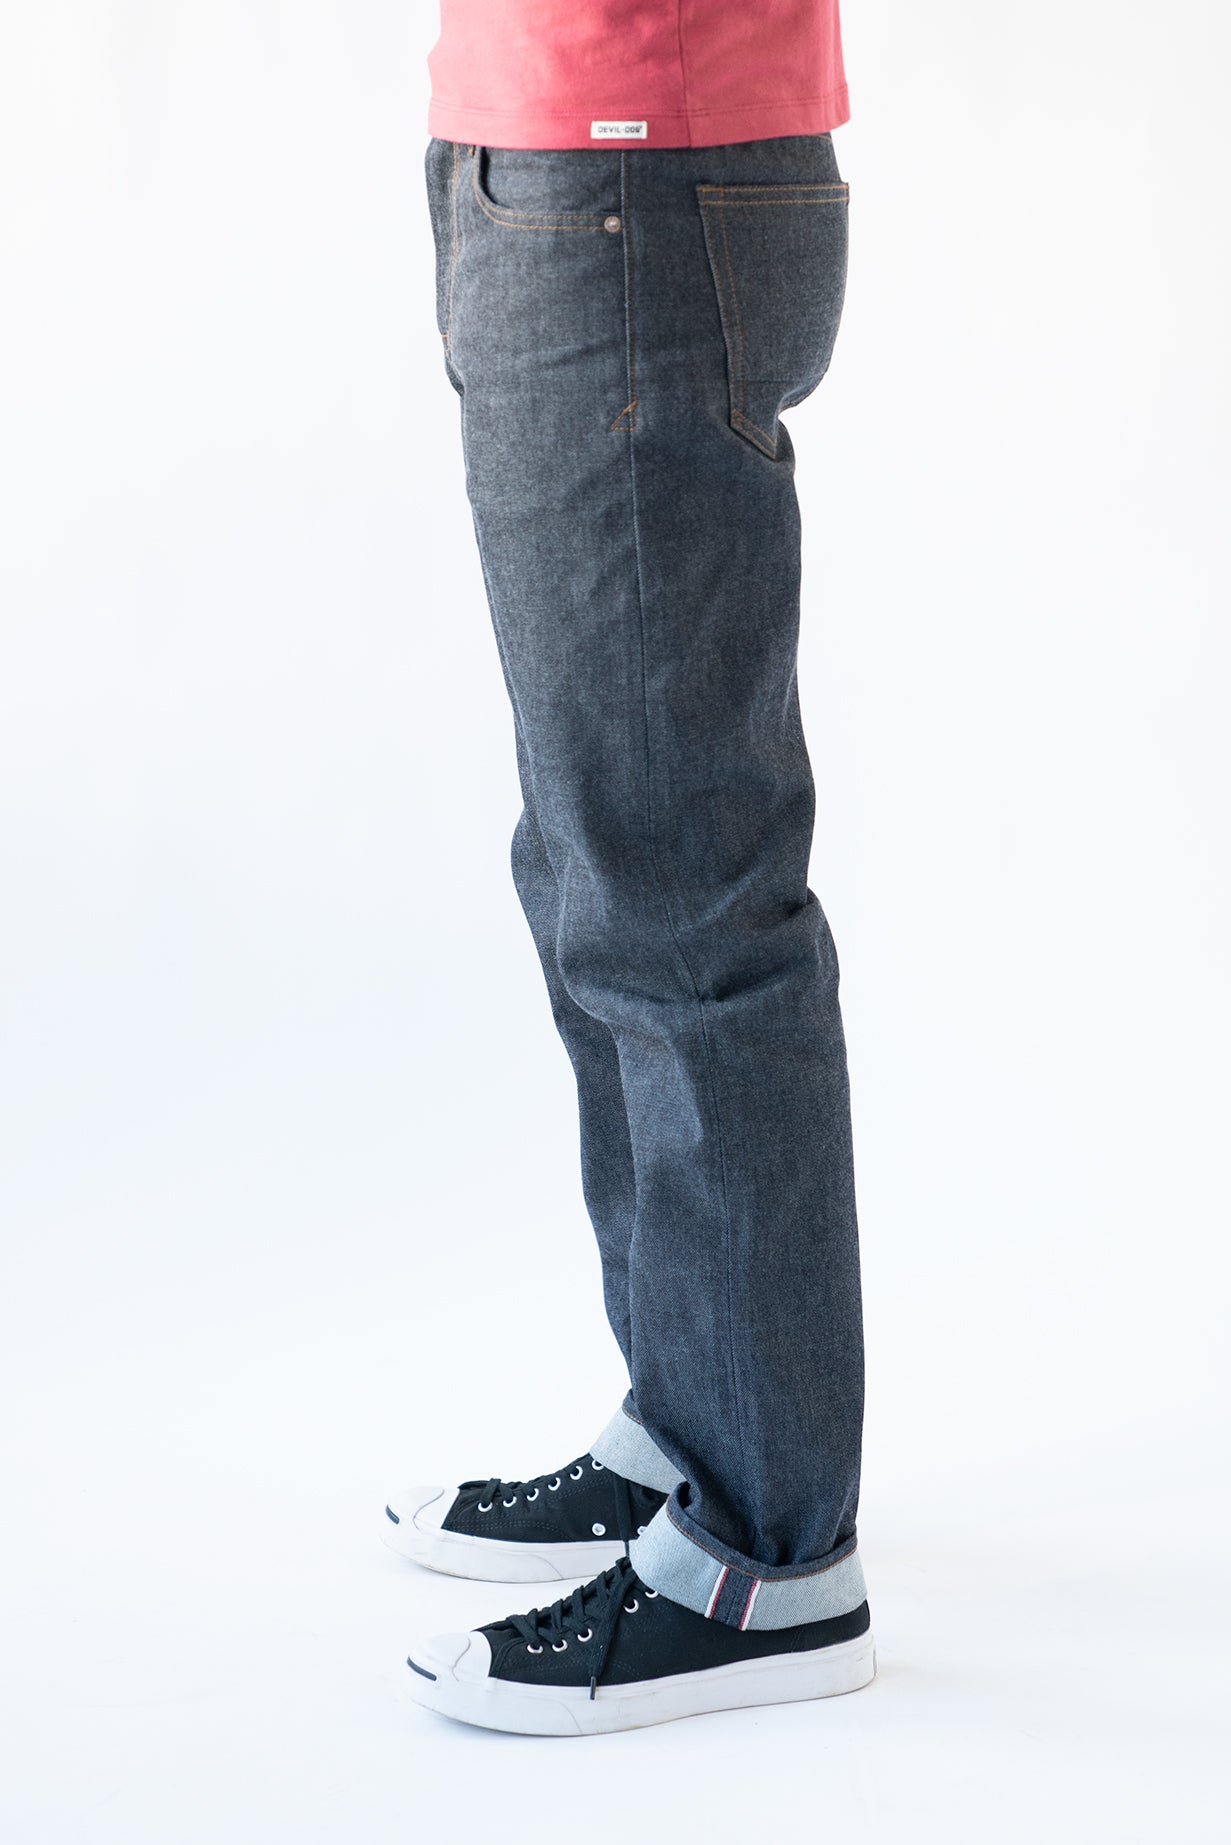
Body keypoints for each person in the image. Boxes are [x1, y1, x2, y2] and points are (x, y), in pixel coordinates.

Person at [387, 0, 874, 1735]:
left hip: (633, 161)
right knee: (598, 857)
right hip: (549, 141)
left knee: (678, 881)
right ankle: (696, 1420)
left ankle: (766, 1549)